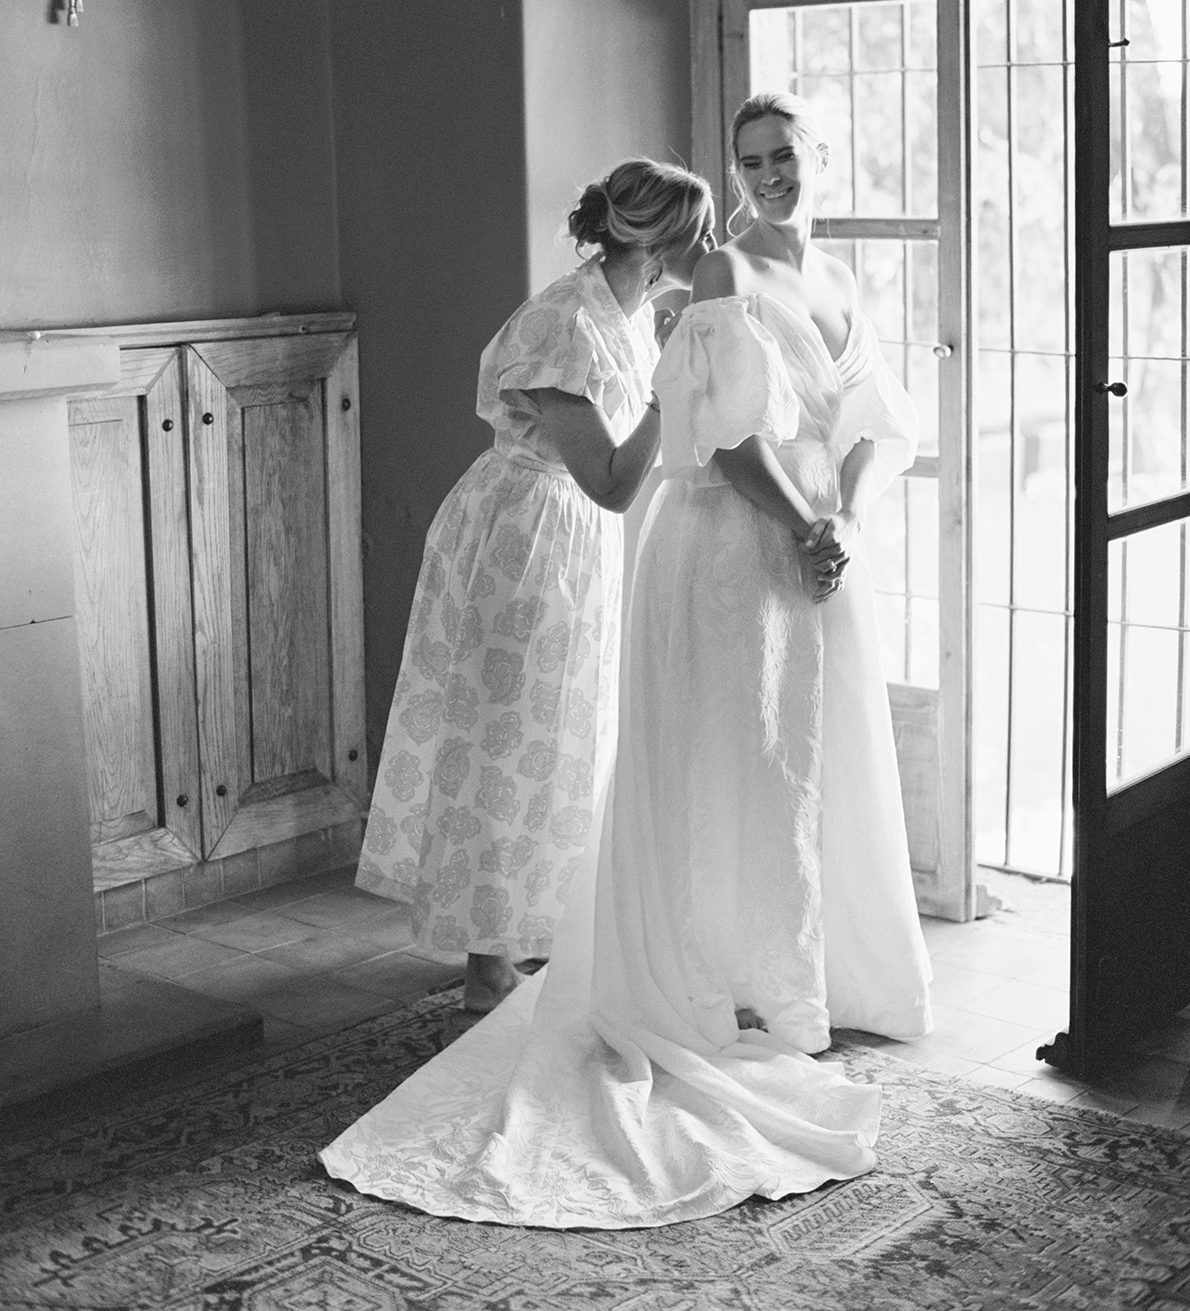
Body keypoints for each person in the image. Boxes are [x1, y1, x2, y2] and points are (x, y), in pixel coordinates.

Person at [322, 94, 932, 1227]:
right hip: (562, 533)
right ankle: (513, 962)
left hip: (641, 535)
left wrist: (822, 498)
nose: (758, 187)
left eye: (780, 158)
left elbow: (816, 414)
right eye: (743, 169)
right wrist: (695, 414)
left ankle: (608, 947)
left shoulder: (684, 301)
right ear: (659, 230)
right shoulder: (597, 314)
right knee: (529, 742)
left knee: (606, 743)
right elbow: (640, 463)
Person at [355, 158, 715, 1014]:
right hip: (524, 536)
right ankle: (485, 966)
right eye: (702, 233)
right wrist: (667, 392)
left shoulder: (634, 313)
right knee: (505, 736)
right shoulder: (565, 324)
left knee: (566, 736)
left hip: (572, 537)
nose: (715, 247)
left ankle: (540, 930)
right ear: (658, 242)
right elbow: (612, 482)